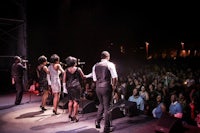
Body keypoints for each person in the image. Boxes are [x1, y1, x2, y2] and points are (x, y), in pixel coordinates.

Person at [92, 51, 118, 133]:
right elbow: (115, 77)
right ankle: (106, 128)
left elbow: (94, 79)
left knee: (101, 104)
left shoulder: (95, 65)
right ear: (108, 57)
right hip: (106, 87)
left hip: (98, 87)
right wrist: (114, 86)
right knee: (107, 107)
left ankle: (97, 121)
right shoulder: (110, 64)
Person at [62, 56, 86, 122]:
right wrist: (89, 75)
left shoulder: (66, 70)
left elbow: (64, 80)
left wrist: (64, 88)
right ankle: (75, 116)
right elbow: (83, 77)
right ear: (74, 62)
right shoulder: (78, 69)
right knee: (76, 102)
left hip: (69, 86)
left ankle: (69, 114)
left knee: (70, 101)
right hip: (76, 86)